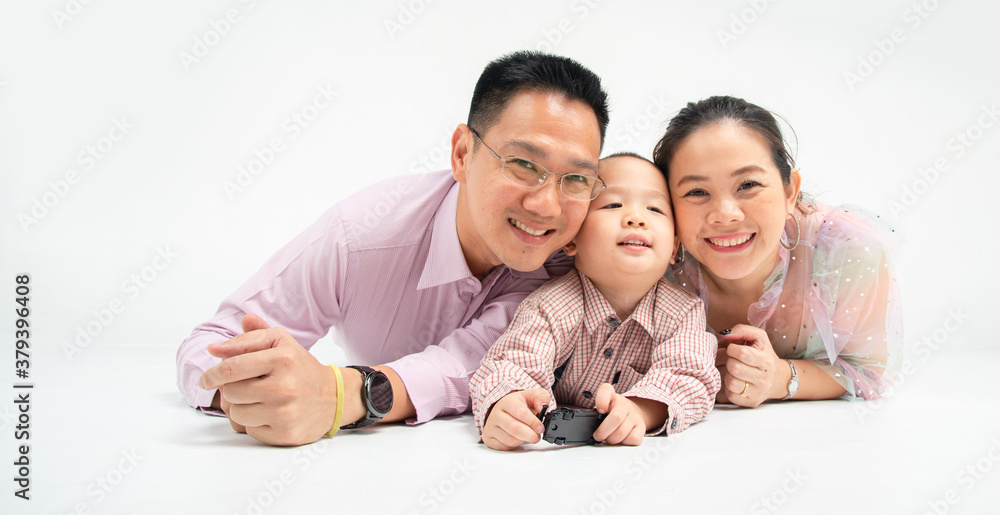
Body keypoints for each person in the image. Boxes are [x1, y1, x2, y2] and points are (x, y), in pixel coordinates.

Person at [176, 51, 610, 446]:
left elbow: (473, 360)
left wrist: (340, 395)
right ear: (462, 153)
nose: (546, 205)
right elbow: (208, 345)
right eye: (522, 165)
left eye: (576, 178)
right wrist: (253, 394)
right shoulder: (361, 236)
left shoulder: (574, 262)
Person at [652, 96, 902, 407]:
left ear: (789, 192)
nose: (725, 213)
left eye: (748, 185)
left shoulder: (846, 252)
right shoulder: (652, 262)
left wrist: (781, 378)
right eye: (697, 192)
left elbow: (866, 371)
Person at [470, 154, 720, 450]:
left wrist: (642, 409)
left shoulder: (683, 311)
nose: (635, 218)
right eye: (613, 205)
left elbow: (690, 375)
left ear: (674, 248)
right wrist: (509, 403)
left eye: (654, 209)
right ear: (572, 237)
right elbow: (514, 361)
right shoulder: (552, 305)